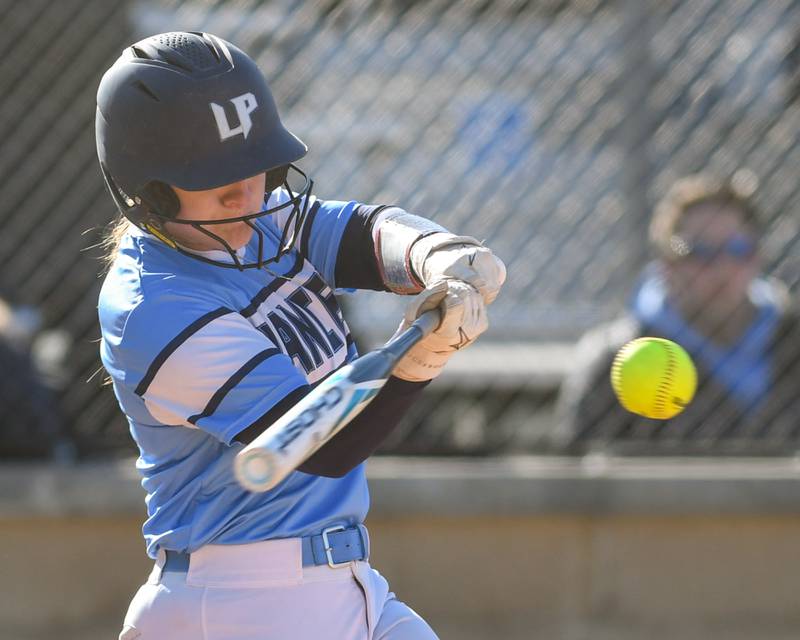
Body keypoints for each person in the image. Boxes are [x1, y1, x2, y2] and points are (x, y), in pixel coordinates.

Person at [95, 32, 505, 640]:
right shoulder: (153, 306)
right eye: (217, 180)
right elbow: (321, 446)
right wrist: (419, 361)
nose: (248, 193)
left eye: (254, 168)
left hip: (337, 585)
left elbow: (362, 235)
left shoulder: (255, 222)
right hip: (238, 603)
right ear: (149, 190)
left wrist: (435, 255)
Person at [554, 172, 800, 453]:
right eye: (698, 251)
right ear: (666, 264)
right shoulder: (612, 361)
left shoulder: (792, 341)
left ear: (757, 257)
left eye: (737, 249)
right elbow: (581, 478)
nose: (721, 268)